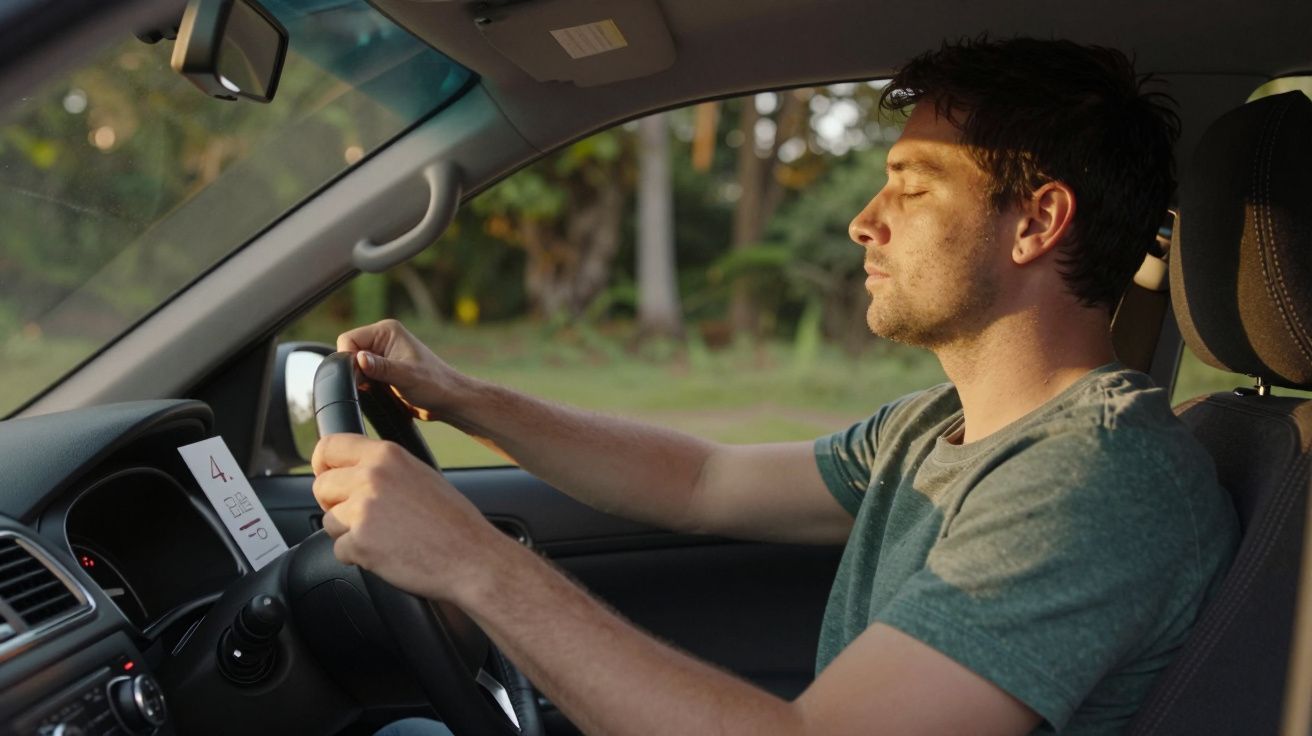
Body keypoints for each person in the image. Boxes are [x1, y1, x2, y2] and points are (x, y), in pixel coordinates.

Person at [313, 37, 1239, 735]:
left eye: (911, 188)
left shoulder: (1094, 482)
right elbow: (700, 480)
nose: (862, 222)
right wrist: (465, 396)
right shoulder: (935, 430)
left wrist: (474, 563)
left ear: (1037, 222)